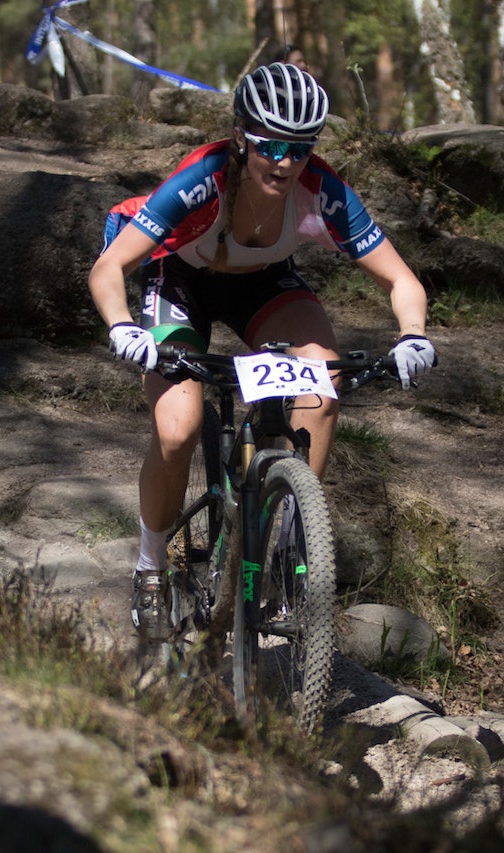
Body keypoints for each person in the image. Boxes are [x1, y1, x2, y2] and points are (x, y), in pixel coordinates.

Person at [88, 62, 437, 641]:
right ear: (242, 137)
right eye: (270, 144)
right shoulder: (204, 178)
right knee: (178, 428)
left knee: (322, 390)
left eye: (300, 148)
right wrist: (123, 327)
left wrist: (413, 334)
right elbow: (109, 267)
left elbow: (402, 281)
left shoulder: (322, 191)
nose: (284, 160)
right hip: (180, 278)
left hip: (261, 283)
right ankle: (151, 567)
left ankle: (288, 555)